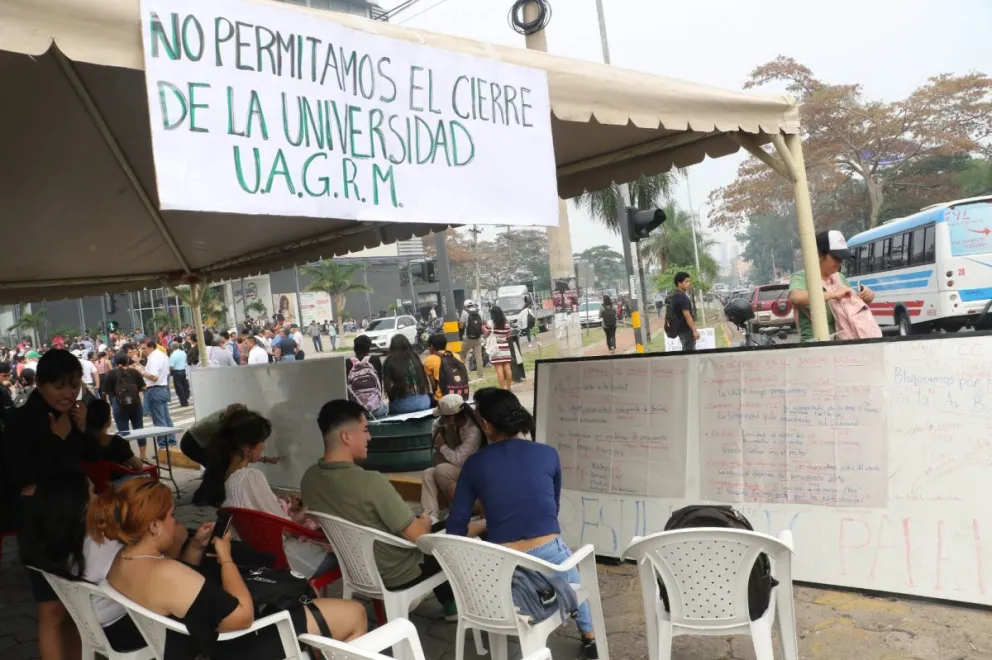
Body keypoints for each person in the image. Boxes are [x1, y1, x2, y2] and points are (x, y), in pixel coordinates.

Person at [89, 477, 366, 659]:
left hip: (190, 638)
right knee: (353, 612)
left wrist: (197, 546)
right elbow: (243, 617)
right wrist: (225, 558)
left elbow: (175, 591)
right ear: (153, 525)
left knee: (309, 602)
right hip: (230, 647)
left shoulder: (123, 561)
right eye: (171, 515)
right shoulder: (164, 573)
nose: (176, 522)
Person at [446, 388, 599, 658]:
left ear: (485, 424)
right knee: (572, 569)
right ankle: (590, 635)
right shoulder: (547, 454)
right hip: (550, 557)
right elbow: (551, 510)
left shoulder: (474, 464)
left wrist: (484, 523)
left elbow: (455, 529)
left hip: (501, 563)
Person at [301, 400, 459, 621]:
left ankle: (449, 604)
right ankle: (456, 606)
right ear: (346, 437)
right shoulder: (371, 482)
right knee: (449, 531)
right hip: (397, 573)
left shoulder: (310, 478)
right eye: (365, 430)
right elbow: (418, 537)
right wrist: (426, 519)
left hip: (354, 567)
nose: (369, 437)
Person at [1, 349, 101, 660]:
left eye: (74, 385)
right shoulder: (23, 420)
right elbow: (17, 477)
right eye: (59, 386)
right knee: (52, 609)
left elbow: (93, 458)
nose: (68, 393)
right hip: (41, 526)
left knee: (75, 608)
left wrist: (85, 432)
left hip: (74, 519)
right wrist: (58, 440)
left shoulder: (72, 416)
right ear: (40, 385)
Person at [202, 409, 338, 579]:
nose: (265, 446)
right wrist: (308, 508)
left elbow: (264, 514)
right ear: (247, 447)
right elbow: (286, 529)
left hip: (263, 554)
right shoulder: (250, 477)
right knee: (343, 553)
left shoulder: (228, 476)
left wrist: (284, 502)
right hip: (290, 560)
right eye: (262, 441)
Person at [789, 230, 876, 342]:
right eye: (836, 257)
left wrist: (866, 296)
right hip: (814, 347)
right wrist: (833, 295)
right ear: (819, 254)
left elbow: (850, 307)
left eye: (842, 258)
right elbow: (796, 297)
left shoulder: (840, 278)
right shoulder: (802, 277)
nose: (839, 262)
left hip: (844, 343)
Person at [421, 394, 484, 524]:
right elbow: (435, 426)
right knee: (428, 473)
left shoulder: (473, 431)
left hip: (471, 471)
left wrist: (442, 446)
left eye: (443, 416)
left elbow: (459, 459)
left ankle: (457, 509)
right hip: (455, 468)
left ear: (451, 417)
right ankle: (430, 516)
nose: (441, 419)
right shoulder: (445, 424)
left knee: (441, 470)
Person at [84, 399, 146, 477]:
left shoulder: (81, 441)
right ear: (108, 421)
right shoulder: (117, 443)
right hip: (119, 485)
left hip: (94, 484)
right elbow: (138, 466)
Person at [134, 339, 175, 448]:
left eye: (144, 348)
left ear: (151, 347)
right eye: (141, 348)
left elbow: (153, 376)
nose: (142, 351)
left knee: (159, 420)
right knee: (166, 417)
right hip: (163, 388)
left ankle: (163, 446)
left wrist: (141, 371)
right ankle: (171, 441)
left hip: (155, 389)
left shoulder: (153, 358)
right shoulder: (162, 355)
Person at [382, 334, 432, 415]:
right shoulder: (415, 357)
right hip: (424, 402)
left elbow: (388, 388)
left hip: (403, 406)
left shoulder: (389, 360)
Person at [423, 334, 467, 402]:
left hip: (442, 398)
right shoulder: (456, 356)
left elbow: (433, 384)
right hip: (460, 395)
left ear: (431, 346)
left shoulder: (429, 360)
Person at [669, 272, 699, 352]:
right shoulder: (682, 297)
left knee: (686, 351)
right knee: (690, 353)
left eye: (689, 281)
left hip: (681, 330)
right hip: (686, 331)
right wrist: (694, 331)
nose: (689, 283)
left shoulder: (675, 294)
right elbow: (687, 315)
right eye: (686, 281)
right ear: (679, 283)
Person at [487, 306, 513, 390]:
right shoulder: (506, 324)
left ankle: (502, 389)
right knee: (508, 369)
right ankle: (509, 388)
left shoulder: (490, 324)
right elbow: (508, 336)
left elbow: (487, 334)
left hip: (496, 350)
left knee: (499, 370)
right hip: (505, 348)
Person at [458, 300, 485, 379]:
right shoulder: (480, 311)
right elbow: (484, 322)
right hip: (478, 337)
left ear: (465, 306)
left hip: (468, 338)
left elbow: (461, 326)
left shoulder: (464, 312)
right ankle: (480, 376)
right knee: (479, 357)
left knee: (462, 356)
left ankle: (466, 376)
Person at [168, 342, 190, 407]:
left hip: (177, 372)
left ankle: (183, 402)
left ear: (171, 347)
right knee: (185, 386)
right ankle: (186, 398)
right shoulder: (183, 353)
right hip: (184, 370)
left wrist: (170, 372)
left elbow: (171, 365)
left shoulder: (173, 355)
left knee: (179, 388)